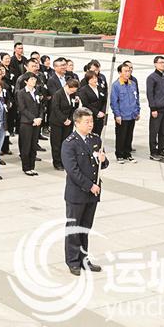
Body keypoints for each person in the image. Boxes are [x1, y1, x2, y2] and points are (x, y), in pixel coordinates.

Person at [61, 107, 109, 276]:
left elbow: (103, 164)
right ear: (77, 123)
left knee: (85, 228)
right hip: (77, 193)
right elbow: (73, 171)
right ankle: (73, 261)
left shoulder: (95, 139)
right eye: (87, 122)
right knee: (74, 228)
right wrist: (90, 186)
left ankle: (84, 259)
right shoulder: (69, 143)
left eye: (92, 121)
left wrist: (104, 159)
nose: (90, 125)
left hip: (92, 193)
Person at [145, 55, 164, 162]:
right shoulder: (151, 78)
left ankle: (161, 150)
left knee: (163, 132)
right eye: (161, 62)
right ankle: (153, 152)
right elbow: (150, 94)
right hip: (157, 109)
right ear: (155, 64)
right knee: (154, 131)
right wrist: (153, 108)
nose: (163, 64)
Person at [110, 63, 140, 164]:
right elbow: (114, 102)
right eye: (125, 71)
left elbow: (136, 98)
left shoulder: (133, 84)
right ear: (120, 72)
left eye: (129, 71)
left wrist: (137, 111)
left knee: (129, 136)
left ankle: (128, 154)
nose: (128, 73)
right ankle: (119, 154)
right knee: (121, 136)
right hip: (122, 116)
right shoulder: (116, 85)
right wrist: (117, 115)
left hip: (132, 115)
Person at [14, 73, 42, 176]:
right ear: (26, 81)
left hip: (37, 122)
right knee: (26, 146)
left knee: (33, 145)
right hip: (26, 122)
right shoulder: (21, 93)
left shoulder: (37, 92)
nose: (34, 81)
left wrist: (40, 118)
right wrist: (33, 118)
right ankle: (26, 167)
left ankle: (32, 166)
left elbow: (41, 106)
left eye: (35, 79)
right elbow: (22, 108)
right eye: (31, 79)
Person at [49, 78, 79, 170]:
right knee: (56, 143)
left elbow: (73, 108)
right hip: (57, 122)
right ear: (67, 86)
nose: (72, 92)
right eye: (71, 90)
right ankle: (57, 162)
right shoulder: (58, 94)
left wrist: (70, 119)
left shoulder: (72, 95)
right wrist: (64, 119)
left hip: (69, 121)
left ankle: (64, 161)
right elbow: (55, 108)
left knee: (66, 143)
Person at [77, 72, 107, 136]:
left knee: (98, 134)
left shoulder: (100, 88)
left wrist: (103, 111)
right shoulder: (83, 90)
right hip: (89, 114)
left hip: (101, 116)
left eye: (95, 78)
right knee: (89, 133)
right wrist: (97, 112)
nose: (94, 80)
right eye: (92, 79)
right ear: (88, 80)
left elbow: (104, 101)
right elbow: (86, 104)